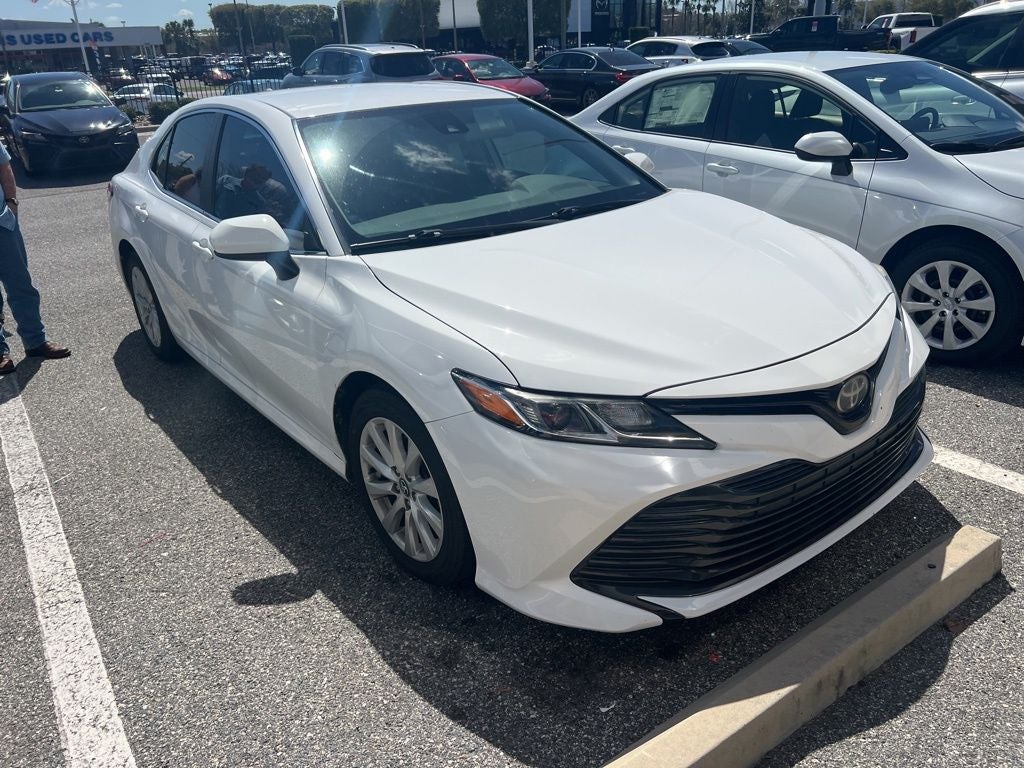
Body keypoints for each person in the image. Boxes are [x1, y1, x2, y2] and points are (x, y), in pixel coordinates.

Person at [0, 141, 71, 375]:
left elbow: (4, 167)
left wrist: (11, 203)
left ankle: (35, 341)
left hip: (2, 223)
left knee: (21, 284)